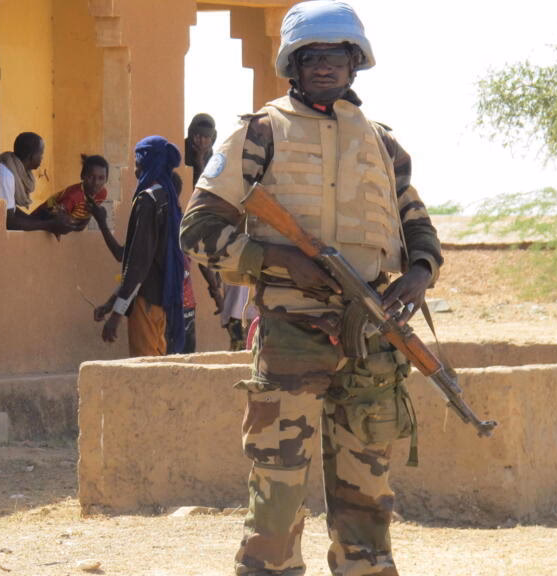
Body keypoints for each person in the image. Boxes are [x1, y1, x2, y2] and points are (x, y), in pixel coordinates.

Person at [179, 2, 443, 574]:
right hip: (292, 332)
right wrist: (276, 259)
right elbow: (197, 230)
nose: (324, 66)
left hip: (371, 334)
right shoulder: (259, 133)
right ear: (293, 66)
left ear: (355, 63)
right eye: (311, 57)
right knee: (277, 490)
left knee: (368, 490)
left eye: (336, 56)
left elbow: (416, 221)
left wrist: (421, 271)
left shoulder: (382, 143)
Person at [93, 136, 187, 356]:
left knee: (146, 369)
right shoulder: (168, 199)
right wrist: (110, 303)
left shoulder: (148, 200)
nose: (135, 171)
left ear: (149, 165)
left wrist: (116, 315)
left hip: (146, 301)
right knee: (158, 364)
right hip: (161, 302)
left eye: (137, 165)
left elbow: (139, 264)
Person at [186, 112, 252, 351]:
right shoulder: (215, 168)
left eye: (206, 136)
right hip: (234, 299)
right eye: (197, 136)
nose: (201, 140)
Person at [0, 132, 74, 234]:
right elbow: (8, 221)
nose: (42, 158)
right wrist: (49, 225)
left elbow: (11, 209)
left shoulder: (15, 170)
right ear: (31, 156)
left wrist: (38, 219)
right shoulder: (6, 174)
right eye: (41, 153)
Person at [31, 154, 110, 234]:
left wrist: (80, 225)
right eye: (91, 177)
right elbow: (58, 221)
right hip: (39, 220)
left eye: (101, 178)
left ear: (106, 179)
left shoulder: (102, 194)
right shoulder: (73, 197)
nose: (96, 182)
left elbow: (87, 214)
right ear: (82, 175)